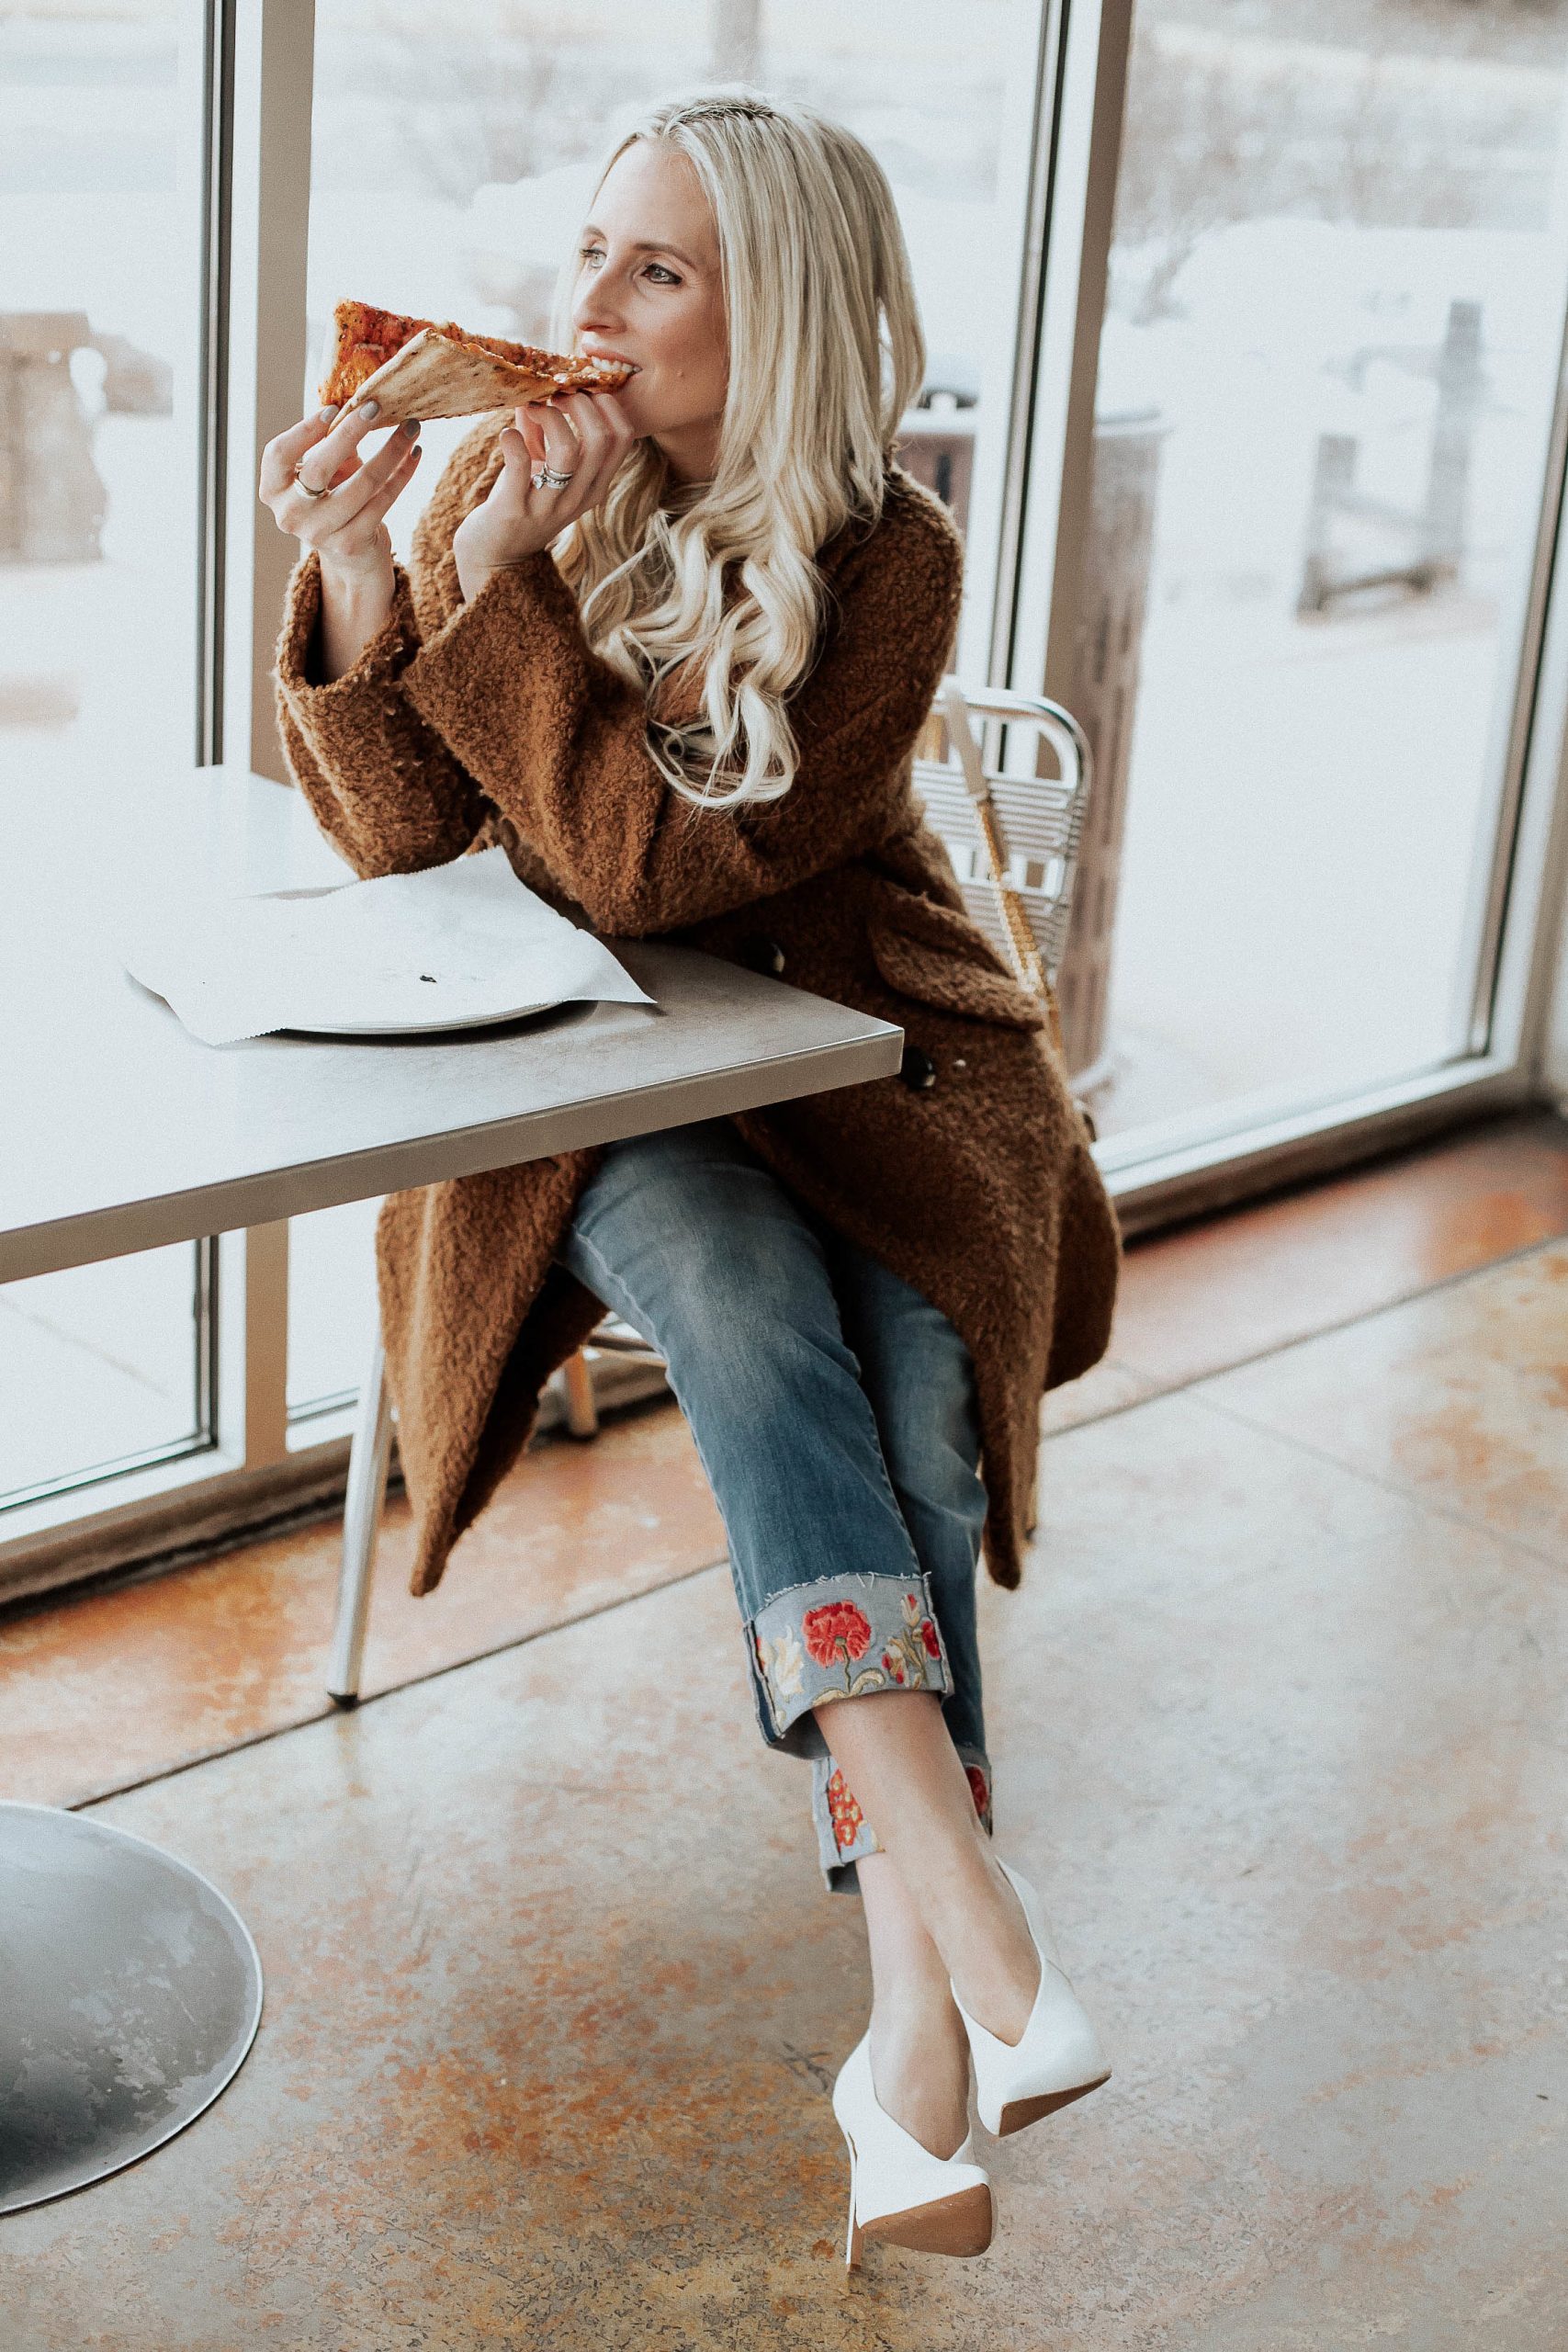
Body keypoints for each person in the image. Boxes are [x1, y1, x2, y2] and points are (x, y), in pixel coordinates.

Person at [264, 89, 1120, 2267]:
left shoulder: (887, 557)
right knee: (741, 1310)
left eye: (655, 270)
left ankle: (910, 2030)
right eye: (589, 252)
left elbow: (666, 861)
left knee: (915, 1396)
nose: (590, 305)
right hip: (596, 1078)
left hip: (874, 1058)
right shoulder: (503, 482)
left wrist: (501, 596)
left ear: (783, 312)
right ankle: (970, 1927)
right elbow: (410, 848)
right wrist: (378, 570)